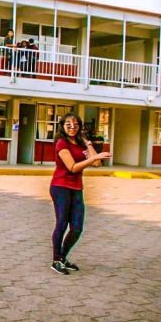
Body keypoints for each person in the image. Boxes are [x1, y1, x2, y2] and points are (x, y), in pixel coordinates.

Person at [49, 113, 111, 275]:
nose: (72, 127)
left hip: (76, 188)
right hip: (60, 187)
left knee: (77, 227)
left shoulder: (80, 144)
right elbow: (73, 167)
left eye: (75, 124)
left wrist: (88, 143)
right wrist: (95, 157)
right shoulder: (61, 143)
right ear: (62, 126)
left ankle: (62, 258)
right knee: (62, 224)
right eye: (68, 124)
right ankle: (56, 260)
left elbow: (96, 163)